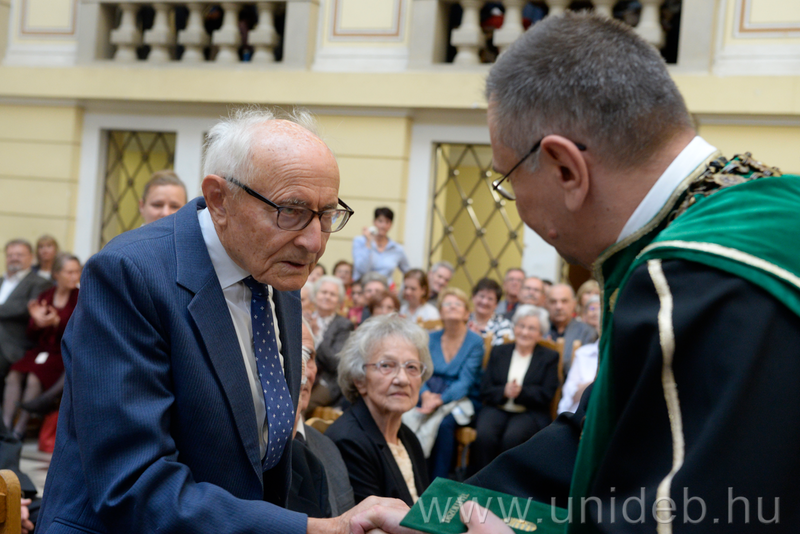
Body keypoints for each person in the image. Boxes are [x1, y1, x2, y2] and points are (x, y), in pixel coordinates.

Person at [461, 11, 800, 532]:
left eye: (507, 181)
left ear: (566, 169)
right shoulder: (767, 208)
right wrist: (438, 512)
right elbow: (604, 430)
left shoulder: (687, 279)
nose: (519, 208)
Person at [36, 108, 405, 534]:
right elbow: (133, 486)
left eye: (326, 215)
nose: (313, 242)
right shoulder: (129, 275)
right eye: (291, 210)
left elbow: (259, 458)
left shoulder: (277, 267)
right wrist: (320, 529)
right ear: (219, 199)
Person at [326, 315, 432, 506]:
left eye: (412, 367)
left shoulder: (407, 438)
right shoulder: (349, 442)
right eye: (387, 366)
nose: (403, 379)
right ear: (359, 379)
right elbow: (373, 520)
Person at [470, 305, 558, 474]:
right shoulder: (499, 351)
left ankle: (507, 483)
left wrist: (521, 392)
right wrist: (504, 391)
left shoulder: (549, 357)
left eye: (531, 328)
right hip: (497, 407)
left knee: (513, 437)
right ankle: (481, 480)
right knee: (485, 435)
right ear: (514, 328)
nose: (524, 332)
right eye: (521, 326)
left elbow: (547, 393)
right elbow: (485, 388)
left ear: (540, 333)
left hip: (529, 411)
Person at [2, 253, 80, 440]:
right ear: (56, 274)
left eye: (77, 272)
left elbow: (79, 332)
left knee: (34, 378)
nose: (74, 276)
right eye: (69, 272)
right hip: (42, 351)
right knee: (14, 374)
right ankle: (5, 426)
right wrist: (37, 323)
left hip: (62, 352)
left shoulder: (80, 297)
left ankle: (19, 430)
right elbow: (31, 333)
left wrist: (57, 322)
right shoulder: (47, 295)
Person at [290, 319, 354, 517]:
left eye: (309, 356)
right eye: (292, 354)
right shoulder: (252, 454)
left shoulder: (328, 448)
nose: (304, 373)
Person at [422, 288, 484, 480]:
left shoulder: (475, 342)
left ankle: (439, 481)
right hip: (429, 394)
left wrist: (439, 400)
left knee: (444, 424)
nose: (452, 307)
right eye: (447, 304)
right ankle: (417, 477)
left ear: (466, 313)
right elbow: (419, 372)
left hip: (462, 398)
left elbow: (466, 382)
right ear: (440, 311)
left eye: (458, 304)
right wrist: (425, 395)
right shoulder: (430, 338)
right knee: (409, 414)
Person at [0, 240, 52, 382]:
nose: (14, 258)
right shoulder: (1, 280)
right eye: (10, 255)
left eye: (19, 254)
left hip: (12, 345)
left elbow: (27, 309)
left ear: (31, 257)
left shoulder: (40, 283)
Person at [307, 275, 353, 415]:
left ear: (339, 300)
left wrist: (317, 336)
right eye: (324, 292)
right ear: (315, 295)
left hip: (326, 380)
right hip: (301, 373)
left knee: (303, 404)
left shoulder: (344, 325)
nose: (327, 297)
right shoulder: (304, 317)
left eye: (332, 294)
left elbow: (335, 363)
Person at [545, 283, 598, 375]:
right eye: (553, 302)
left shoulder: (587, 332)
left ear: (574, 304)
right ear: (546, 304)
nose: (559, 307)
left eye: (564, 301)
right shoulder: (539, 329)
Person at [352, 207, 410, 281]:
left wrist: (403, 288)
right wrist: (368, 242)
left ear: (391, 225)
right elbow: (362, 269)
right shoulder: (360, 241)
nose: (383, 226)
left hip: (385, 287)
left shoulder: (397, 249)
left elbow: (408, 273)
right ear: (374, 222)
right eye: (380, 221)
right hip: (363, 286)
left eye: (387, 222)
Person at [467, 278, 514, 347]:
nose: (484, 302)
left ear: (496, 304)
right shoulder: (463, 319)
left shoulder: (503, 324)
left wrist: (480, 339)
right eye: (482, 296)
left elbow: (502, 351)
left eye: (490, 299)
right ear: (473, 297)